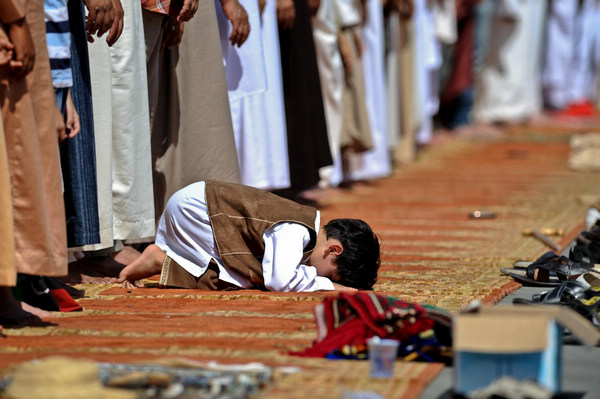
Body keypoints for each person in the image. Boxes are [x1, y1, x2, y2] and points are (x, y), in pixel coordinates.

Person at [118, 180, 381, 292]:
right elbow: (280, 281)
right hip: (198, 211)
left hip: (199, 209)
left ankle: (163, 261)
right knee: (253, 279)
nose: (321, 276)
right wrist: (332, 287)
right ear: (334, 250)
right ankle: (163, 261)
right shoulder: (297, 230)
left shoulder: (305, 228)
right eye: (331, 273)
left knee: (249, 275)